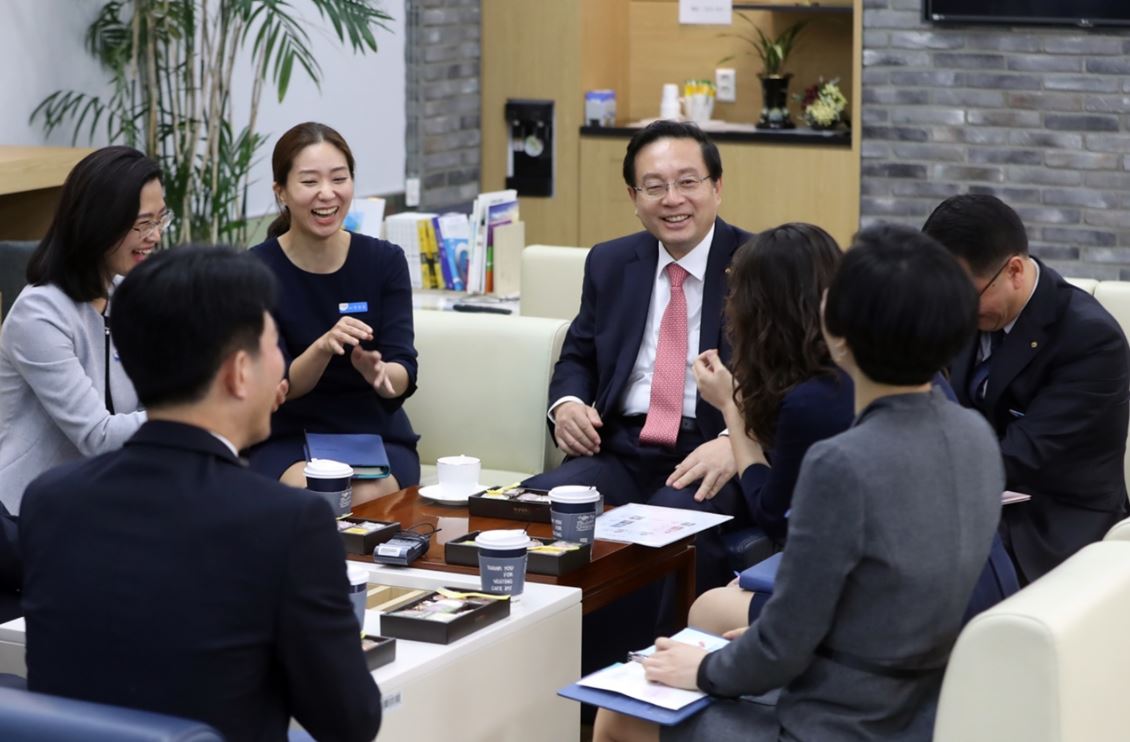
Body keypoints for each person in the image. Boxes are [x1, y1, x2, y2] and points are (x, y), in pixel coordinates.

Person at [594, 224, 1004, 742]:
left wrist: (700, 670)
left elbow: (781, 649)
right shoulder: (975, 432)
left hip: (843, 720)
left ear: (840, 327)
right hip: (933, 701)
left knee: (617, 715)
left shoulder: (842, 464)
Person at [19, 246, 382, 741]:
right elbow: (351, 721)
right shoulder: (287, 523)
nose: (281, 368)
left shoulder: (49, 500)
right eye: (275, 346)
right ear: (237, 373)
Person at [525, 120, 753, 592]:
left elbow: (790, 376)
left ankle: (661, 657)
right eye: (654, 187)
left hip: (707, 447)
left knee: (668, 523)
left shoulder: (758, 264)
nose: (672, 199)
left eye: (688, 182)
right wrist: (566, 405)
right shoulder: (610, 262)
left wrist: (738, 439)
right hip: (619, 447)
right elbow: (578, 357)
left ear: (717, 187)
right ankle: (567, 654)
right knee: (534, 504)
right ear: (634, 198)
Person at [923, 193, 1130, 583]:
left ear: (1014, 271)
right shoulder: (964, 312)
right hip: (972, 500)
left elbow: (1023, 454)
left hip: (1049, 522)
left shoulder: (1090, 339)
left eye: (965, 296)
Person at [688, 223, 853, 632]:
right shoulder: (871, 365)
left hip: (857, 596)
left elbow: (775, 515)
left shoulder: (815, 397)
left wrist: (730, 405)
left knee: (706, 608)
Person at [249, 122, 418, 501]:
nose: (327, 194)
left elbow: (402, 369)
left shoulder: (384, 261)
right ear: (282, 192)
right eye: (309, 182)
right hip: (288, 436)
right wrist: (323, 347)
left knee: (364, 499)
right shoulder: (255, 272)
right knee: (322, 497)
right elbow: (278, 387)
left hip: (375, 436)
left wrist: (379, 375)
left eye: (339, 179)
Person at [0, 146, 165, 514]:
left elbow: (152, 396)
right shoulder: (39, 314)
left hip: (102, 496)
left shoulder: (125, 295)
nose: (155, 236)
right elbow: (98, 436)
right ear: (99, 222)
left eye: (160, 219)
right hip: (25, 514)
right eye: (143, 223)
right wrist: (197, 408)